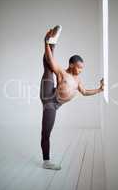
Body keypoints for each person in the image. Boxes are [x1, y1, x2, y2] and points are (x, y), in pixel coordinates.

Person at [40, 25, 104, 170]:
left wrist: (100, 90)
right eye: (78, 67)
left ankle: (51, 41)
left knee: (46, 131)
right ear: (71, 65)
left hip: (55, 104)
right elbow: (50, 60)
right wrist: (46, 43)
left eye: (82, 68)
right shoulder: (63, 73)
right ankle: (46, 161)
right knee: (48, 66)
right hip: (48, 98)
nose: (80, 70)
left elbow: (85, 92)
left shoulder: (78, 80)